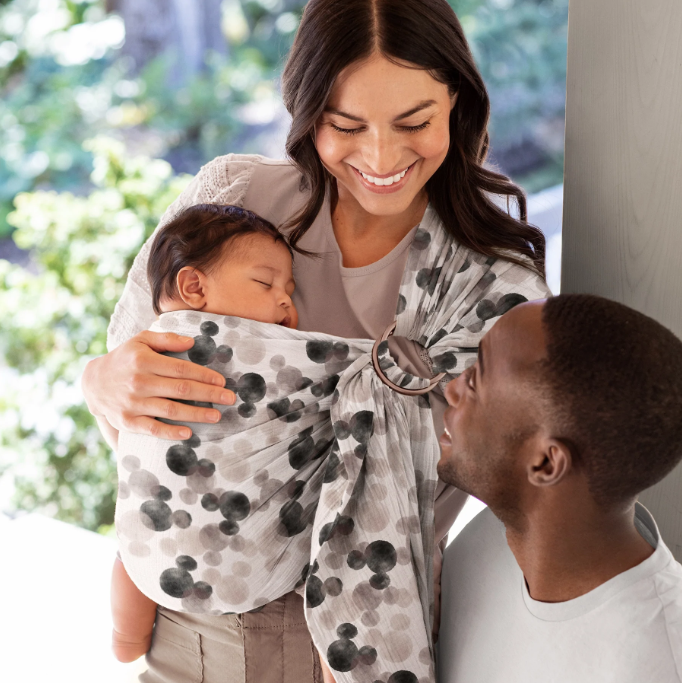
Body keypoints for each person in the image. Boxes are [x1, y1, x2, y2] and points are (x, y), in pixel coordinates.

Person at [81, 0, 550, 680]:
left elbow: (491, 476)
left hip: (363, 636)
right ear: (306, 112)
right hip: (189, 621)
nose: (383, 155)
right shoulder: (239, 196)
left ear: (459, 100)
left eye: (415, 121)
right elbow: (139, 401)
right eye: (346, 124)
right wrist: (99, 378)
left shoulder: (493, 283)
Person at [437, 294, 682, 683]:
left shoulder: (657, 664)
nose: (451, 389)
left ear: (546, 463)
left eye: (476, 381)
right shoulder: (484, 542)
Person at [109, 203, 298, 663]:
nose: (285, 300)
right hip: (163, 495)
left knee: (131, 552)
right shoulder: (158, 346)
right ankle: (125, 636)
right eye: (265, 283)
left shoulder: (278, 348)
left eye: (290, 290)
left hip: (230, 515)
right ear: (193, 286)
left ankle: (127, 638)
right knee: (133, 547)